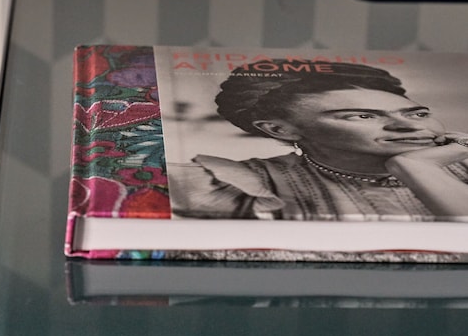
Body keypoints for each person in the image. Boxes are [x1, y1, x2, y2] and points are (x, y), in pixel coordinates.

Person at [169, 60, 468, 221]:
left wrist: (420, 167)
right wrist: (415, 167)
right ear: (279, 130)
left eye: (418, 114)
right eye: (362, 116)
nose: (407, 126)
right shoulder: (226, 184)